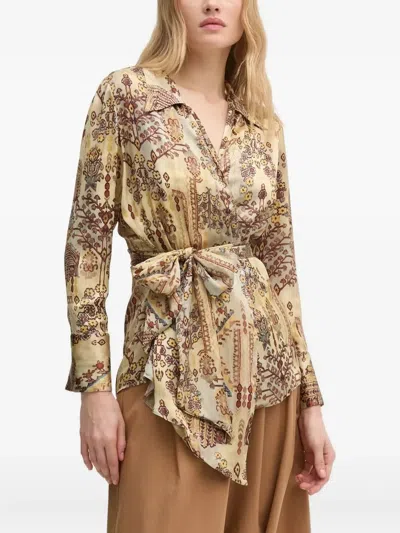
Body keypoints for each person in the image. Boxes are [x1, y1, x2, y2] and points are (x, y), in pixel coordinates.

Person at [63, 1, 335, 532]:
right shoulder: (126, 96)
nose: (212, 3)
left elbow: (281, 266)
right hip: (163, 373)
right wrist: (94, 390)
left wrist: (311, 403)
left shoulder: (263, 123)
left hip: (267, 381)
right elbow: (86, 249)